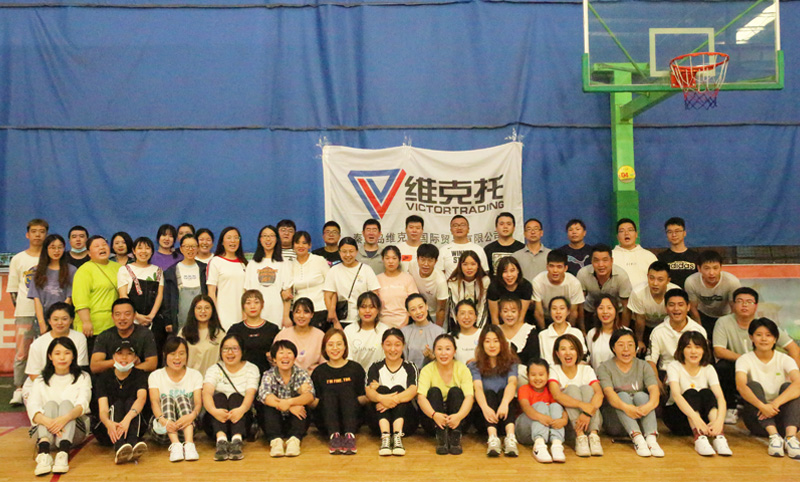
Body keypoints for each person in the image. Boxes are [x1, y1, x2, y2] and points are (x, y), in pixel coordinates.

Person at [713, 287, 800, 424]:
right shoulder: (723, 322)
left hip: (765, 365)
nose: (744, 305)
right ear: (733, 304)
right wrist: (747, 360)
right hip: (739, 366)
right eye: (740, 301)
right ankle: (731, 406)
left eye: (749, 302)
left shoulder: (764, 325)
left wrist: (792, 373)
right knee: (722, 367)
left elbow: (793, 348)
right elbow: (719, 350)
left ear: (756, 305)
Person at [735, 318, 800, 458]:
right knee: (753, 386)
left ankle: (791, 438)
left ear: (775, 339)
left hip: (784, 420)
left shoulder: (785, 359)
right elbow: (740, 386)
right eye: (759, 335)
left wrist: (774, 404)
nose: (764, 339)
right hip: (757, 421)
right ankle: (774, 437)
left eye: (768, 335)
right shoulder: (744, 360)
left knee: (790, 387)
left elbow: (798, 383)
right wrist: (762, 406)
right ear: (751, 337)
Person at [28, 337, 91, 476]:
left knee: (66, 404)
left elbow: (83, 404)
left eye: (67, 353)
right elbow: (32, 406)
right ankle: (44, 454)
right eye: (57, 353)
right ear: (50, 356)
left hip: (74, 433)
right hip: (46, 432)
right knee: (49, 405)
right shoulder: (40, 380)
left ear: (73, 355)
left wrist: (64, 419)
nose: (62, 357)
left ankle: (63, 453)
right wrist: (50, 422)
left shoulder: (83, 377)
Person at [597, 329, 663, 457]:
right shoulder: (604, 368)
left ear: (636, 348)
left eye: (630, 345)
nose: (626, 349)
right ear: (613, 348)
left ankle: (651, 439)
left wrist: (648, 407)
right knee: (621, 395)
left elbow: (654, 391)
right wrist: (627, 408)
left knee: (642, 396)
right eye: (621, 345)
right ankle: (638, 439)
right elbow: (609, 394)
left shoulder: (644, 366)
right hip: (616, 422)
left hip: (641, 419)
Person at [664, 332, 732, 456]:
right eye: (688, 347)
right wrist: (696, 420)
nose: (693, 351)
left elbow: (720, 397)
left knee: (707, 393)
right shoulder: (674, 366)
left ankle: (719, 436)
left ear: (704, 350)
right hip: (678, 417)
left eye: (697, 347)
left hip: (703, 420)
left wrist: (719, 421)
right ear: (681, 349)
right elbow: (676, 395)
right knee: (691, 392)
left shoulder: (709, 368)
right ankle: (699, 437)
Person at [7, 218, 48, 404]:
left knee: (47, 351)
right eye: (34, 231)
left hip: (48, 313)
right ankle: (18, 388)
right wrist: (22, 308)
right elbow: (13, 290)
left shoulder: (50, 257)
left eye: (41, 231)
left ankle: (44, 387)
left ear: (46, 234)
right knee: (22, 352)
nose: (38, 235)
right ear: (27, 234)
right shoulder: (18, 259)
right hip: (25, 313)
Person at [202, 333, 260, 461]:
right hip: (216, 421)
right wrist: (214, 411)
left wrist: (241, 410)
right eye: (226, 349)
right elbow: (206, 393)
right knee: (219, 397)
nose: (230, 353)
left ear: (242, 350)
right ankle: (221, 441)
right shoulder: (214, 369)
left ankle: (236, 441)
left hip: (242, 419)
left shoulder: (251, 369)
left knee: (236, 397)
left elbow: (250, 394)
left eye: (234, 348)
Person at [311, 328, 368, 455]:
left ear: (345, 346)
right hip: (326, 422)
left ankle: (349, 436)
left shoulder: (355, 368)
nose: (335, 348)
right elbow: (316, 403)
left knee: (346, 391)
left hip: (352, 419)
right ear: (324, 348)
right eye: (330, 345)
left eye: (338, 344)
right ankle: (334, 436)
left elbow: (361, 399)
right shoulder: (319, 372)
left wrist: (371, 394)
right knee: (329, 394)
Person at [417, 334, 474, 455]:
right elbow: (421, 398)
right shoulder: (427, 370)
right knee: (434, 391)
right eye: (439, 349)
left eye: (448, 349)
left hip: (458, 420)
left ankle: (455, 439)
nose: (443, 353)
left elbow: (469, 397)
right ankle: (441, 438)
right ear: (434, 351)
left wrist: (458, 416)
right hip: (433, 421)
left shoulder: (462, 369)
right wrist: (434, 415)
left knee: (456, 391)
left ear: (454, 351)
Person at [548, 334, 604, 457]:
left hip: (591, 420)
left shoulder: (587, 370)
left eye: (572, 348)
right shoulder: (554, 370)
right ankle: (580, 437)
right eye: (563, 349)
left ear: (578, 351)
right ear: (557, 353)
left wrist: (587, 413)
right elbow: (557, 395)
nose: (568, 353)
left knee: (587, 389)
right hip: (569, 423)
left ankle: (593, 436)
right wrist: (582, 405)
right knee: (572, 388)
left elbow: (599, 394)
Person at [148, 336, 203, 462]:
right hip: (162, 429)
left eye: (181, 353)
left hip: (187, 427)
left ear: (187, 355)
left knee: (181, 398)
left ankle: (189, 444)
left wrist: (191, 416)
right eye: (172, 354)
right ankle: (176, 445)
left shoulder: (195, 375)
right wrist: (164, 421)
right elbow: (154, 402)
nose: (177, 358)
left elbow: (198, 403)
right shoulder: (156, 376)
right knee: (167, 399)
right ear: (165, 355)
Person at [258, 339, 315, 457]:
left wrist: (290, 402)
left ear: (294, 358)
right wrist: (289, 407)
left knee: (301, 405)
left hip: (294, 421)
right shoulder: (268, 375)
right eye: (281, 353)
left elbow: (310, 396)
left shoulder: (301, 373)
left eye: (289, 353)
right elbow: (265, 396)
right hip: (274, 421)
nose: (285, 356)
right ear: (274, 359)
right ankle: (276, 442)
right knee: (268, 407)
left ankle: (294, 441)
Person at [365, 328, 418, 456]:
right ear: (382, 346)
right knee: (383, 390)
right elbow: (369, 392)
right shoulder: (375, 367)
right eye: (388, 344)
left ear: (403, 346)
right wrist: (382, 398)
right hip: (377, 423)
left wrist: (390, 401)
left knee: (398, 389)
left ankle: (397, 436)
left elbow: (412, 391)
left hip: (406, 423)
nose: (393, 349)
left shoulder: (410, 367)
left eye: (397, 345)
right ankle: (385, 437)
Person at [469, 325, 520, 457]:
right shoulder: (474, 365)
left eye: (496, 341)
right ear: (482, 344)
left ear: (502, 343)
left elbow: (512, 383)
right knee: (490, 393)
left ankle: (510, 438)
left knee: (504, 392)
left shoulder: (511, 362)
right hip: (485, 418)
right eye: (487, 341)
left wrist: (504, 404)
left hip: (505, 415)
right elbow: (478, 387)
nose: (492, 345)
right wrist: (485, 408)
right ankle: (492, 439)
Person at [95, 340, 149, 463]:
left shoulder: (140, 375)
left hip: (133, 426)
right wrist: (108, 423)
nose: (124, 358)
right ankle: (120, 447)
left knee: (131, 402)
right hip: (108, 430)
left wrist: (126, 420)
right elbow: (103, 409)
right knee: (118, 404)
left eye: (129, 354)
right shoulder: (104, 377)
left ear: (135, 358)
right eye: (120, 353)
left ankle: (132, 444)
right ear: (113, 356)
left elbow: (141, 398)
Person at [646, 288, 706, 398]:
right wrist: (656, 381)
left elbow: (704, 359)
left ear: (688, 307)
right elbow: (650, 360)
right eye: (671, 305)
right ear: (666, 308)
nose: (676, 309)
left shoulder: (698, 330)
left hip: (692, 371)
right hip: (666, 372)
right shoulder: (658, 332)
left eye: (680, 305)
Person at [24, 303, 89, 402]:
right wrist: (53, 390)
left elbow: (80, 368)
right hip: (43, 385)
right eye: (55, 319)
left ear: (71, 320)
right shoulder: (38, 343)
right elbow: (34, 374)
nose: (60, 323)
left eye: (64, 319)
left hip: (71, 384)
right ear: (49, 321)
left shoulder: (79, 338)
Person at [117, 237, 168, 357]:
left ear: (152, 251)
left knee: (152, 354)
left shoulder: (158, 270)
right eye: (140, 248)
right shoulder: (125, 270)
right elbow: (123, 296)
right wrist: (136, 316)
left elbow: (159, 294)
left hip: (153, 321)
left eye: (147, 248)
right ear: (134, 251)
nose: (143, 251)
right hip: (131, 320)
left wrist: (151, 316)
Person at [72, 235, 122, 345]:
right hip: (92, 326)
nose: (102, 247)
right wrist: (86, 321)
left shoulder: (118, 268)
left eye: (104, 244)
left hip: (114, 324)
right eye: (96, 246)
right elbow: (80, 300)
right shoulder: (84, 270)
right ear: (89, 253)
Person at [516, 359, 567, 463]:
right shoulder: (524, 389)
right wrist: (541, 417)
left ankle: (556, 444)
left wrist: (564, 420)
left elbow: (562, 409)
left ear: (548, 375)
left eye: (541, 375)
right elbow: (526, 407)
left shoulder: (551, 390)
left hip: (547, 433)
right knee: (541, 405)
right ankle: (539, 446)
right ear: (527, 375)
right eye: (533, 375)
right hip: (525, 431)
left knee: (555, 406)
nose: (537, 378)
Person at [324, 237, 380, 329]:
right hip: (342, 319)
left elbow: (375, 294)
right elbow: (328, 296)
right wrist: (335, 322)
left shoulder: (366, 269)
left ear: (357, 251)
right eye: (344, 251)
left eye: (351, 251)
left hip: (363, 319)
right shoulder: (334, 271)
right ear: (339, 252)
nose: (348, 255)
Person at [90, 299, 158, 375]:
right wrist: (121, 363)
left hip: (137, 377)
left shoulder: (145, 334)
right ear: (112, 316)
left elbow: (152, 364)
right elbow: (94, 366)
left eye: (127, 314)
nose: (122, 318)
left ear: (134, 316)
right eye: (117, 314)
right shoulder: (104, 336)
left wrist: (126, 371)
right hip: (112, 378)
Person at [244, 225, 292, 329]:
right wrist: (245, 315)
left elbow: (287, 292)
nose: (268, 239)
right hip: (256, 312)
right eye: (265, 236)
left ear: (277, 239)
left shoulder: (284, 263)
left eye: (271, 236)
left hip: (277, 311)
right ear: (260, 239)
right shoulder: (252, 264)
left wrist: (286, 316)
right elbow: (247, 292)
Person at [685, 250, 741, 336]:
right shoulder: (691, 282)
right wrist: (700, 330)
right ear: (699, 268)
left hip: (726, 315)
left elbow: (734, 308)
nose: (711, 273)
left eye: (715, 268)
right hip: (703, 315)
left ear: (721, 268)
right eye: (707, 268)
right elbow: (693, 308)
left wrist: (728, 326)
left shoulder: (732, 282)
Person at [28, 234, 76, 334]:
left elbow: (69, 298)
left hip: (63, 320)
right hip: (44, 319)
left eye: (60, 247)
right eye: (52, 247)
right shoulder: (37, 271)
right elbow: (37, 299)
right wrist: (42, 324)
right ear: (46, 249)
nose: (56, 251)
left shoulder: (71, 270)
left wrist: (60, 320)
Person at [629, 261, 679, 354]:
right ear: (647, 276)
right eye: (651, 278)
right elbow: (640, 321)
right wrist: (639, 341)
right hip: (645, 327)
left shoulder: (676, 293)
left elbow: (677, 319)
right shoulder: (638, 293)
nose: (655, 283)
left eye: (660, 280)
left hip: (666, 327)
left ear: (668, 280)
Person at [576, 244, 632, 328]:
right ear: (591, 261)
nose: (601, 265)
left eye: (605, 260)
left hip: (616, 312)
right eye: (596, 260)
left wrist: (623, 330)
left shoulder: (622, 276)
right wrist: (582, 329)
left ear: (611, 261)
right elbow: (579, 303)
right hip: (591, 310)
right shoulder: (583, 274)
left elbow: (626, 306)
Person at [226, 290, 280, 374]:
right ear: (243, 306)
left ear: (262, 305)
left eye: (256, 302)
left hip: (268, 375)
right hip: (241, 374)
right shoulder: (235, 329)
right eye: (248, 303)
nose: (252, 306)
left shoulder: (273, 329)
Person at [164, 234, 208, 334]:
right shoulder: (171, 271)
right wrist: (168, 321)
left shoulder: (205, 269)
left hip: (203, 319)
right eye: (187, 246)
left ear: (198, 248)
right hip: (180, 320)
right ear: (181, 249)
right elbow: (167, 298)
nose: (190, 249)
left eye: (193, 246)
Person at [532, 250, 585, 331]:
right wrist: (543, 332)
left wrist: (568, 331)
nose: (555, 270)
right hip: (546, 318)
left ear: (565, 268)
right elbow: (538, 312)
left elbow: (573, 313)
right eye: (551, 266)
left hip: (566, 319)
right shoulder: (538, 281)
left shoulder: (574, 283)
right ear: (547, 267)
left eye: (559, 267)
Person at [207, 226, 248, 330]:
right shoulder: (216, 261)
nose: (232, 241)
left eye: (236, 238)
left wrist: (246, 313)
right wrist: (215, 316)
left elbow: (247, 291)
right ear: (222, 242)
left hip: (243, 314)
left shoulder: (244, 263)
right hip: (223, 314)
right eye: (229, 238)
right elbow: (211, 292)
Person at [291, 230, 330, 331]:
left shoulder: (319, 260)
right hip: (299, 314)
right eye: (297, 243)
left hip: (320, 309)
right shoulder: (290, 265)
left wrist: (331, 310)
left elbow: (331, 287)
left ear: (309, 245)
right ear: (293, 246)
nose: (301, 246)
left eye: (304, 243)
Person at [274, 298, 326, 372]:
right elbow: (275, 361)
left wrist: (317, 370)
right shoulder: (283, 335)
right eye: (297, 312)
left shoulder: (320, 335)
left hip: (313, 375)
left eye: (306, 312)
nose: (301, 316)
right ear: (293, 314)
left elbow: (325, 363)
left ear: (312, 314)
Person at [178, 295, 225, 376]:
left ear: (212, 310)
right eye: (199, 308)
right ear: (193, 311)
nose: (203, 311)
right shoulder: (184, 333)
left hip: (212, 380)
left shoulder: (219, 334)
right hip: (188, 379)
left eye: (207, 308)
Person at [344, 292, 389, 371]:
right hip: (354, 373)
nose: (367, 311)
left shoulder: (385, 330)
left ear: (378, 310)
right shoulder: (349, 330)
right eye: (363, 307)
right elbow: (347, 358)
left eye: (372, 307)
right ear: (358, 309)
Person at [446, 251, 490, 331]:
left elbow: (483, 308)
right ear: (460, 266)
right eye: (465, 264)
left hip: (479, 323)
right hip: (458, 324)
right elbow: (453, 308)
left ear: (478, 266)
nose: (469, 268)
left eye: (473, 264)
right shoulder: (453, 283)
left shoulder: (485, 281)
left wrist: (478, 330)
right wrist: (462, 328)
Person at [499, 297, 539, 383]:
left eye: (513, 311)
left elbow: (534, 360)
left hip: (523, 378)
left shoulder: (529, 331)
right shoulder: (495, 331)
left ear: (519, 312)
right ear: (500, 313)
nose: (509, 315)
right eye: (505, 311)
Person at [538, 296, 587, 366]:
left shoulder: (576, 333)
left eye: (562, 308)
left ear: (568, 311)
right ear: (550, 312)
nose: (558, 312)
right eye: (554, 309)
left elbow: (582, 357)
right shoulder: (543, 335)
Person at [586, 294, 630, 372]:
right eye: (601, 308)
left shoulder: (626, 333)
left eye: (609, 308)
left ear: (616, 310)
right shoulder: (591, 334)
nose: (605, 312)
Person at [377, 245, 419, 328]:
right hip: (382, 325)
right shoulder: (377, 279)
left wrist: (407, 321)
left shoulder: (408, 278)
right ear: (382, 259)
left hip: (405, 324)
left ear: (399, 260)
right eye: (387, 258)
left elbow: (414, 302)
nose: (390, 261)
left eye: (394, 258)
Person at [438, 215, 490, 279]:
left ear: (468, 229)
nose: (459, 228)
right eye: (455, 225)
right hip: (451, 284)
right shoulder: (443, 250)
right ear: (451, 230)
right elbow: (439, 274)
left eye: (463, 225)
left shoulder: (478, 249)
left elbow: (484, 273)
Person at [407, 243, 448, 325]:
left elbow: (441, 309)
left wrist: (437, 329)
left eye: (430, 260)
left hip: (434, 314)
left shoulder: (440, 281)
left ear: (435, 261)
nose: (426, 264)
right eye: (422, 259)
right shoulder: (412, 265)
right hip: (417, 312)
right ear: (417, 259)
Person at [612, 218, 657, 289]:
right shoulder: (610, 256)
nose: (626, 233)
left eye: (630, 230)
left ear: (636, 234)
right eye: (622, 231)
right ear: (617, 236)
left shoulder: (649, 256)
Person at [401, 294, 444, 369]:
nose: (418, 312)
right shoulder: (404, 332)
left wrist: (432, 357)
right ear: (408, 313)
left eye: (420, 307)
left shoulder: (439, 332)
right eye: (413, 309)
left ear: (426, 306)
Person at [487, 256, 532, 326]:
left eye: (512, 270)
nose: (509, 275)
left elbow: (521, 317)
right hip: (500, 324)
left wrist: (515, 332)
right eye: (505, 271)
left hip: (519, 325)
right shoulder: (494, 287)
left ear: (518, 271)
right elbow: (494, 318)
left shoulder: (526, 286)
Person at [657, 217, 699, 289]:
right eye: (670, 232)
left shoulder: (696, 256)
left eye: (677, 231)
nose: (674, 235)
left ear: (684, 233)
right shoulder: (661, 258)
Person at [483, 212, 525, 276]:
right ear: (496, 228)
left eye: (508, 224)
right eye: (501, 224)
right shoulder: (488, 249)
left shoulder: (522, 248)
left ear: (514, 227)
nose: (505, 227)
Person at [513, 218, 551, 284]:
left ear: (541, 233)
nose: (533, 232)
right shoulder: (516, 256)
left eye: (536, 229)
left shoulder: (550, 254)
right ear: (524, 234)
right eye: (529, 229)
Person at [452, 299, 481, 364]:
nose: (467, 317)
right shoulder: (450, 338)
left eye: (470, 313)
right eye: (462, 313)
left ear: (476, 317)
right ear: (456, 317)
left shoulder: (483, 334)